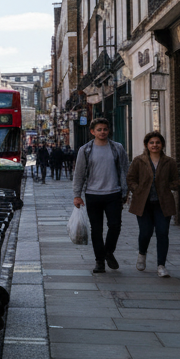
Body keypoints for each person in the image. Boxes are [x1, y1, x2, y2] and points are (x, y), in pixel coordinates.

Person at [72, 117, 129, 273]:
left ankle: (108, 252)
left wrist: (126, 191)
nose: (102, 132)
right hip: (93, 195)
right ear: (92, 132)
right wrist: (77, 195)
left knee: (115, 226)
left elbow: (125, 170)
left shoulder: (118, 148)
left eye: (105, 129)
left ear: (108, 130)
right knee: (96, 230)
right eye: (99, 129)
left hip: (114, 194)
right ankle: (99, 261)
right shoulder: (86, 150)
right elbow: (79, 174)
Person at [127, 131, 180, 278]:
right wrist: (137, 189)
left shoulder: (169, 162)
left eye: (157, 142)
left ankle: (161, 265)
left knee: (163, 233)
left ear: (162, 144)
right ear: (146, 145)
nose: (155, 145)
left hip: (163, 203)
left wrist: (172, 185)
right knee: (146, 232)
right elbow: (130, 178)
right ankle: (142, 254)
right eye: (152, 143)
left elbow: (176, 180)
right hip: (143, 203)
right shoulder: (139, 161)